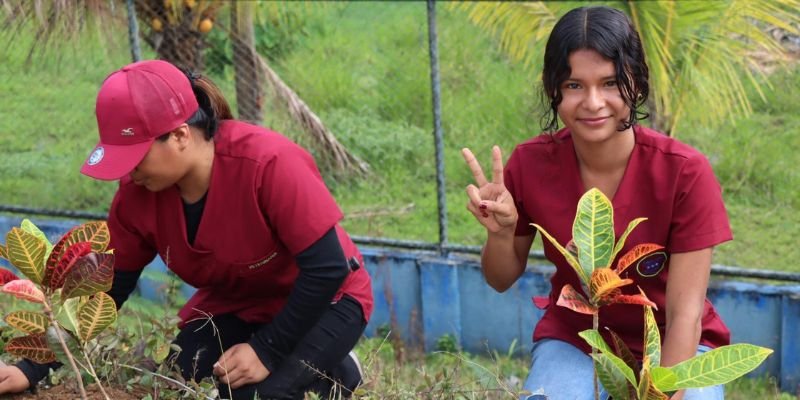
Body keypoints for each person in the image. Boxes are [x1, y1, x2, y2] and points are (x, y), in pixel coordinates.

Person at [0, 60, 373, 400]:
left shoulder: (269, 163)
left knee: (264, 395)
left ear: (179, 136)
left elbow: (327, 268)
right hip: (239, 305)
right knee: (183, 379)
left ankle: (336, 372)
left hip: (328, 300)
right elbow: (108, 290)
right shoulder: (137, 196)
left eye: (135, 156)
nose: (128, 172)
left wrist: (267, 350)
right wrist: (30, 369)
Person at [461, 6, 731, 400]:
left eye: (609, 83)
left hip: (675, 343)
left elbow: (686, 314)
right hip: (577, 340)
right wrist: (501, 235)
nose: (592, 102)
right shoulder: (530, 163)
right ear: (552, 88)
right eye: (573, 85)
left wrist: (660, 393)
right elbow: (500, 279)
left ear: (636, 84)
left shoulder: (685, 173)